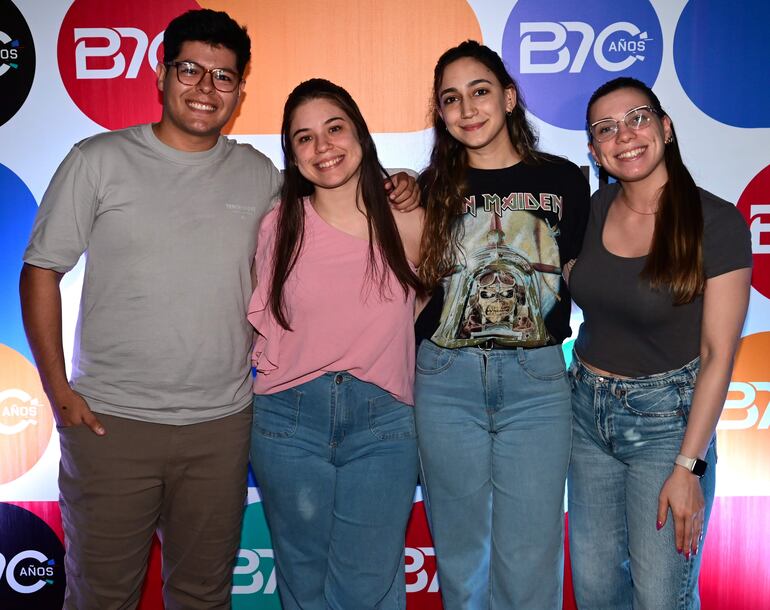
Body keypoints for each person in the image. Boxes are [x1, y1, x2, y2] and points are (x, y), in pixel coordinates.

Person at [19, 10, 417, 609]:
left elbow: (335, 210)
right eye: (190, 70)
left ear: (239, 91)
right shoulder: (96, 160)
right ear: (161, 74)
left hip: (222, 428)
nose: (205, 88)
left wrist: (400, 184)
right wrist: (58, 392)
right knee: (101, 596)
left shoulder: (259, 177)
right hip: (112, 426)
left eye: (223, 77)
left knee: (204, 597)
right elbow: (40, 271)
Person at [415, 40, 589, 609]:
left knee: (532, 558)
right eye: (451, 99)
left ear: (510, 98)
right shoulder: (426, 189)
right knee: (462, 560)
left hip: (537, 383)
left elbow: (584, 276)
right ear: (440, 114)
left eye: (481, 91)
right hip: (445, 380)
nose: (467, 109)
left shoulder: (565, 180)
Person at [566, 76, 752, 609]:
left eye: (638, 119)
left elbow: (719, 354)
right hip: (585, 416)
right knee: (597, 593)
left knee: (660, 597)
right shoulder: (595, 209)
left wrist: (688, 466)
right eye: (605, 128)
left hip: (667, 427)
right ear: (594, 148)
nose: (624, 135)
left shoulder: (716, 222)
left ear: (666, 128)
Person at [247, 78, 424, 609]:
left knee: (366, 584)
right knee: (302, 582)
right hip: (287, 423)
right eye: (304, 138)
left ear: (360, 135)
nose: (323, 147)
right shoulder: (278, 225)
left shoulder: (409, 218)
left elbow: (427, 309)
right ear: (292, 155)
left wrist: (410, 182)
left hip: (383, 424)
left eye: (334, 128)